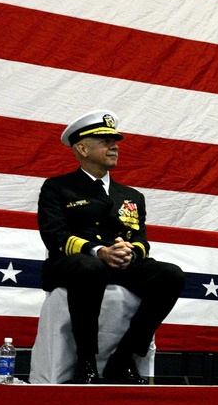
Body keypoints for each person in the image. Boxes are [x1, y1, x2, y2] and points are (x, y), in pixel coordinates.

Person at [37, 109, 185, 384]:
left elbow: (141, 239)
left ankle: (124, 357)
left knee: (171, 275)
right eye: (105, 141)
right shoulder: (58, 187)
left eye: (114, 140)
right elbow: (54, 235)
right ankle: (86, 362)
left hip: (119, 263)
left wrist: (130, 251)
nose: (114, 146)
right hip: (75, 263)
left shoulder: (131, 196)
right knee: (90, 268)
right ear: (82, 148)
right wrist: (99, 251)